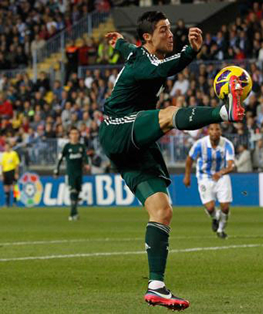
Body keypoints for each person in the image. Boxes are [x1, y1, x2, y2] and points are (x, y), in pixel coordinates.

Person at [99, 11, 244, 311]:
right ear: (148, 38)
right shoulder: (147, 62)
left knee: (162, 211)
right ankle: (224, 112)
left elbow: (128, 48)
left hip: (131, 142)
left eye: (169, 28)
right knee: (168, 113)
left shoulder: (137, 52)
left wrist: (117, 41)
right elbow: (163, 67)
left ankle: (156, 286)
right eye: (163, 30)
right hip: (118, 127)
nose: (170, 33)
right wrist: (190, 51)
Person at [183, 124, 235, 239]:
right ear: (208, 132)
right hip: (204, 176)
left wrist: (220, 173)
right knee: (210, 208)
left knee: (225, 207)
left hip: (222, 176)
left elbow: (231, 166)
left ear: (221, 131)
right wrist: (187, 176)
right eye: (212, 129)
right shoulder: (200, 144)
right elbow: (189, 159)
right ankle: (215, 218)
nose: (215, 132)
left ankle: (221, 230)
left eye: (217, 129)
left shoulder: (227, 144)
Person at [54, 127, 90, 220]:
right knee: (73, 191)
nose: (74, 135)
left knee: (77, 192)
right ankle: (72, 214)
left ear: (78, 135)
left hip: (79, 173)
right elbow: (60, 158)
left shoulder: (81, 147)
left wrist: (87, 164)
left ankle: (75, 213)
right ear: (69, 135)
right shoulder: (67, 147)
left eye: (76, 133)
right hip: (70, 173)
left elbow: (85, 157)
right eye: (72, 133)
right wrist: (56, 170)